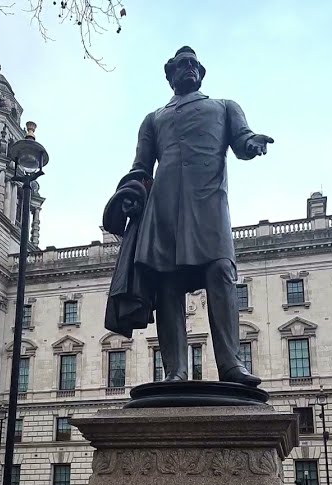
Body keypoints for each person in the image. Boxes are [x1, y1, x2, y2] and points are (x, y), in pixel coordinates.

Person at [103, 46, 273, 386]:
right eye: (183, 64)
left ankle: (231, 365)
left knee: (222, 271)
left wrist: (253, 141)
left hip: (209, 201)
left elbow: (241, 142)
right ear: (170, 75)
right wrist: (129, 195)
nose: (190, 68)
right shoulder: (153, 119)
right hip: (163, 206)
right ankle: (176, 370)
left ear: (201, 73)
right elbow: (141, 167)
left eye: (195, 64)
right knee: (168, 285)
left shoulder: (224, 106)